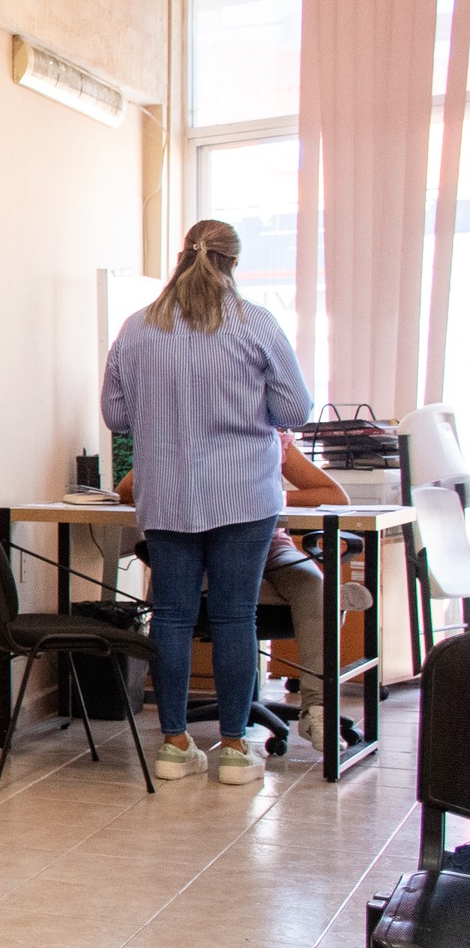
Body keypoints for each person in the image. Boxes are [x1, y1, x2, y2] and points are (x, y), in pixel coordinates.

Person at [102, 219, 312, 787]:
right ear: (234, 263)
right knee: (234, 616)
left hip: (166, 494)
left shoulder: (137, 328)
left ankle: (173, 747)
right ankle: (236, 750)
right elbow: (295, 409)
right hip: (244, 494)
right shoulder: (255, 323)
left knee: (171, 615)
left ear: (181, 257)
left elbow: (117, 416)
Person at [117, 432, 368, 752]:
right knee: (245, 591)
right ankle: (337, 601)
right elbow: (127, 488)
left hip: (274, 547)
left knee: (311, 582)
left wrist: (272, 496)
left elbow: (335, 495)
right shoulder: (186, 438)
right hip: (209, 551)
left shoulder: (274, 442)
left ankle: (316, 708)